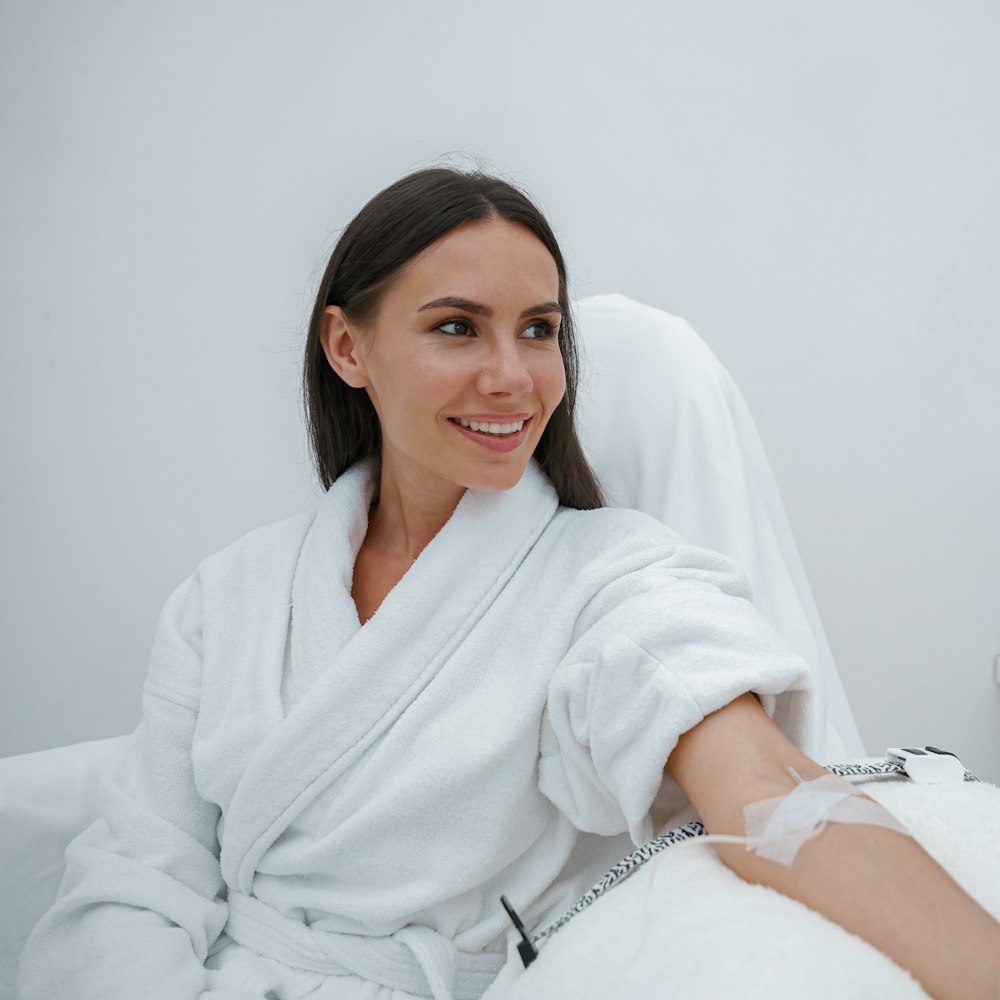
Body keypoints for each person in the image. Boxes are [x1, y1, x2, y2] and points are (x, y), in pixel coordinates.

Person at [17, 167, 1000, 1000]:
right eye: (457, 328)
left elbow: (768, 792)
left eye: (537, 330)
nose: (513, 376)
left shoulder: (610, 581)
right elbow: (137, 875)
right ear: (347, 347)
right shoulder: (228, 596)